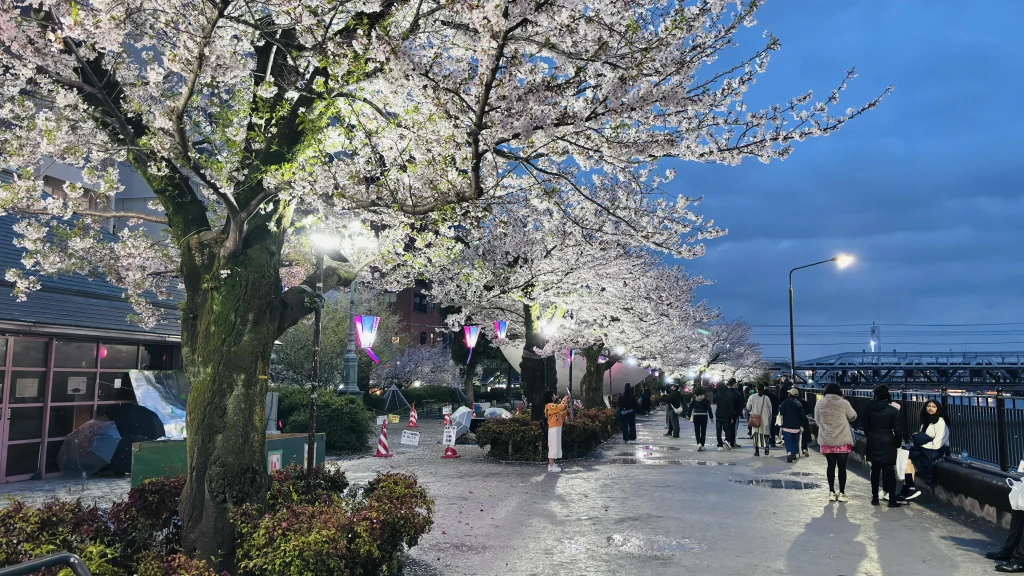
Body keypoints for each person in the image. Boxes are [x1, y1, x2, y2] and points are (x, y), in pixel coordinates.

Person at [813, 383, 857, 502]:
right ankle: (842, 493)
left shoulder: (820, 403)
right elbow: (853, 416)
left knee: (830, 466)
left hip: (827, 439)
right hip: (842, 439)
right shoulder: (844, 403)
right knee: (842, 468)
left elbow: (817, 420)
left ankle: (831, 492)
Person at [901, 399, 949, 500]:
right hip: (925, 447)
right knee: (907, 461)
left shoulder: (941, 422)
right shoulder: (926, 421)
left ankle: (906, 492)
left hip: (936, 449)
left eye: (933, 406)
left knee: (911, 461)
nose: (930, 408)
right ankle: (908, 490)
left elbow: (938, 442)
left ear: (938, 409)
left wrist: (921, 445)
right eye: (929, 406)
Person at [865, 385, 903, 508]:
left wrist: (871, 436)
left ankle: (875, 498)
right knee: (889, 470)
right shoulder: (892, 410)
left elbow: (865, 427)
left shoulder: (868, 409)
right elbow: (897, 429)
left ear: (875, 395)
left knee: (875, 470)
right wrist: (897, 442)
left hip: (873, 440)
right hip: (888, 441)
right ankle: (892, 499)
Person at [779, 387, 809, 463]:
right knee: (795, 440)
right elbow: (802, 415)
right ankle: (795, 453)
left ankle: (789, 453)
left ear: (790, 394)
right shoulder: (799, 404)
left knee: (788, 440)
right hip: (796, 426)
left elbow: (781, 412)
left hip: (787, 425)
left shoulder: (785, 402)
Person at [745, 383, 773, 456]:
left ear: (756, 389)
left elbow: (748, 407)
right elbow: (770, 409)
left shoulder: (752, 397)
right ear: (763, 389)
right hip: (765, 417)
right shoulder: (766, 398)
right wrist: (769, 417)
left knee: (756, 434)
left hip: (755, 418)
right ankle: (766, 447)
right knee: (766, 433)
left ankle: (757, 451)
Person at [544, 391, 568, 472]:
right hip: (553, 428)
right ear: (551, 397)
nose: (555, 395)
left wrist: (566, 411)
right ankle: (551, 466)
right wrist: (564, 400)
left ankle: (552, 464)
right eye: (553, 394)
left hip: (556, 427)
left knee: (555, 445)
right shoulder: (550, 405)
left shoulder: (552, 406)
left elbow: (560, 414)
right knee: (553, 446)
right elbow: (560, 407)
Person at [689, 386, 712, 451]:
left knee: (697, 430)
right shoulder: (706, 399)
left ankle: (698, 443)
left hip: (696, 415)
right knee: (703, 431)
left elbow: (690, 408)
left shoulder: (693, 399)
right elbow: (709, 409)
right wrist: (711, 417)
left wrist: (688, 415)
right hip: (704, 415)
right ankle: (702, 445)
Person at [714, 382, 735, 450]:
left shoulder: (716, 395)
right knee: (727, 429)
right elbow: (730, 407)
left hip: (718, 414)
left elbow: (714, 401)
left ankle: (720, 445)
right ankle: (727, 440)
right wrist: (732, 417)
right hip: (726, 415)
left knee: (718, 430)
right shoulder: (728, 395)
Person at [728, 379, 744, 448]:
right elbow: (740, 403)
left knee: (728, 428)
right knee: (734, 428)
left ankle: (728, 440)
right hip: (735, 412)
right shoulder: (737, 393)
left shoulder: (726, 392)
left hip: (727, 413)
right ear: (734, 384)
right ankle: (732, 442)